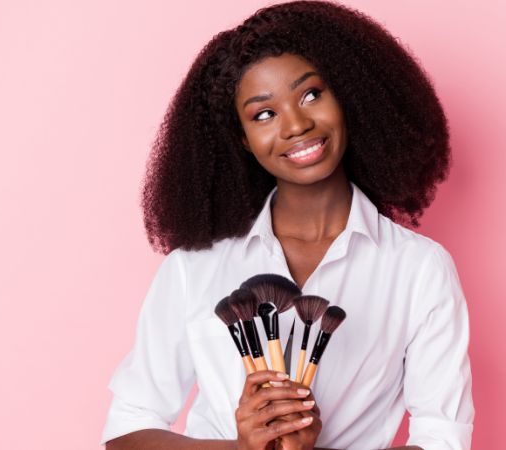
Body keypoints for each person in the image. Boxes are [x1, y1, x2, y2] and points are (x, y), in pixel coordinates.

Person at [101, 1, 473, 449]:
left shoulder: (419, 270)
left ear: (348, 96)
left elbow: (442, 439)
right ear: (241, 140)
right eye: (264, 114)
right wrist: (241, 448)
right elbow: (125, 432)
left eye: (311, 94)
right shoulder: (193, 268)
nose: (296, 125)